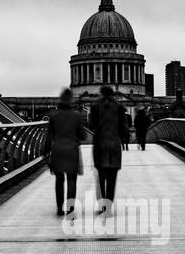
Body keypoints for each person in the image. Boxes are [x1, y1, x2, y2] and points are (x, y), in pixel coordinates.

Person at [43, 88, 85, 216]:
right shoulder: (77, 116)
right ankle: (70, 208)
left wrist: (45, 153)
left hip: (57, 150)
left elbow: (49, 136)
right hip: (72, 150)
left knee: (59, 180)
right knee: (72, 180)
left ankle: (59, 208)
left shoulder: (53, 115)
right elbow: (83, 135)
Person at [89, 86, 127, 214]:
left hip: (100, 144)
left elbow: (92, 125)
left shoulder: (95, 106)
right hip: (114, 145)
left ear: (101, 93)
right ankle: (108, 205)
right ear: (113, 94)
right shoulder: (119, 107)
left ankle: (103, 204)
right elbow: (123, 128)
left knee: (101, 176)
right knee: (112, 178)